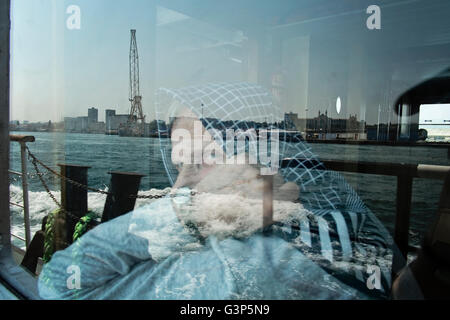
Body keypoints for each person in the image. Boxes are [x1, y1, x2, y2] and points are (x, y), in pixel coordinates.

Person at [38, 82, 399, 299]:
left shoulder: (229, 271)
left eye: (203, 159)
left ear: (252, 156)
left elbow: (59, 283)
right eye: (181, 165)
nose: (181, 184)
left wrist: (189, 211)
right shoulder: (347, 221)